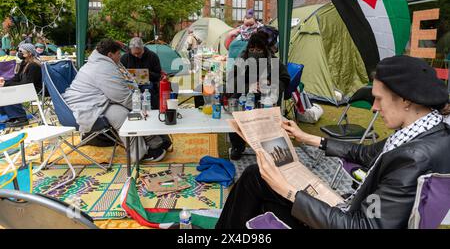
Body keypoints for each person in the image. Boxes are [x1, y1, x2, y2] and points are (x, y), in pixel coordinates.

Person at [216, 55, 450, 229]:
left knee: (259, 184)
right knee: (256, 178)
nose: (374, 108)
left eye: (378, 99)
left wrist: (287, 190)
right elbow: (366, 153)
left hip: (349, 220)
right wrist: (307, 137)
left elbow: (362, 227)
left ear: (406, 100)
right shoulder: (425, 133)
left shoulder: (412, 158)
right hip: (355, 209)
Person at [63, 38, 171, 163]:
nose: (121, 56)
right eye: (118, 53)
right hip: (85, 105)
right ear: (110, 55)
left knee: (132, 108)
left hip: (96, 100)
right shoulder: (103, 68)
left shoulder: (103, 63)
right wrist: (140, 105)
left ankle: (155, 141)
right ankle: (141, 153)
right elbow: (122, 96)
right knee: (123, 114)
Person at [226, 31, 290, 160]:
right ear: (248, 48)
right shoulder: (242, 58)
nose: (254, 52)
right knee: (235, 113)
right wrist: (248, 87)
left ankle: (271, 148)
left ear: (265, 50)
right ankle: (238, 146)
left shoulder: (273, 61)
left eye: (258, 49)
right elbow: (231, 80)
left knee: (269, 119)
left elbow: (285, 79)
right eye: (252, 49)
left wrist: (271, 83)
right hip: (243, 97)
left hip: (266, 99)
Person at [0, 43, 42, 127]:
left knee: (7, 92)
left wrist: (9, 85)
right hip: (25, 87)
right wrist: (5, 82)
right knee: (3, 88)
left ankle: (21, 118)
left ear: (29, 53)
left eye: (21, 51)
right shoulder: (24, 63)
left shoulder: (34, 65)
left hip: (32, 89)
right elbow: (17, 78)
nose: (19, 53)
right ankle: (13, 116)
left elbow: (29, 83)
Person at [120, 37, 162, 110]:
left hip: (148, 84)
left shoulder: (152, 56)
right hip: (130, 84)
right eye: (134, 54)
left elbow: (158, 75)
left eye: (139, 53)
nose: (136, 55)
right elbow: (120, 72)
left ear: (143, 48)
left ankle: (150, 108)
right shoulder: (125, 58)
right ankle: (129, 109)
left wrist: (147, 74)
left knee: (148, 89)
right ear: (130, 50)